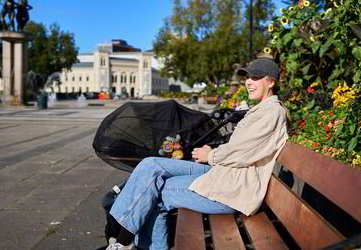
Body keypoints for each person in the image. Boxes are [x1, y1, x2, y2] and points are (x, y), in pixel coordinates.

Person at [106, 58, 288, 250]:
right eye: (248, 77)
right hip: (223, 174)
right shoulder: (262, 109)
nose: (249, 82)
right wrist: (212, 154)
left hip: (232, 190)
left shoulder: (272, 112)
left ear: (272, 81)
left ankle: (123, 240)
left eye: (256, 77)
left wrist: (211, 155)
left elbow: (243, 152)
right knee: (151, 164)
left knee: (156, 193)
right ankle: (121, 234)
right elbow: (242, 148)